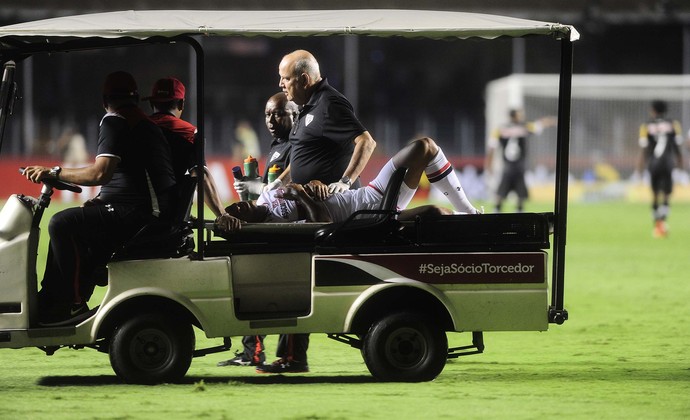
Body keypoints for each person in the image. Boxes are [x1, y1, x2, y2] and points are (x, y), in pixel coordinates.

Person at [218, 136, 480, 374]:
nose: (238, 205)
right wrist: (302, 195)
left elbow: (306, 186)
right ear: (247, 225)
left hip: (368, 194)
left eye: (235, 205)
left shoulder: (265, 196)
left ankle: (468, 215)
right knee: (425, 155)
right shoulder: (277, 225)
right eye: (237, 211)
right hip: (370, 214)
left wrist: (316, 185)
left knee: (428, 163)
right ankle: (470, 216)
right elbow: (323, 224)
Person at [23, 71, 177, 325]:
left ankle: (71, 304)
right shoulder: (140, 121)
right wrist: (100, 201)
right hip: (148, 209)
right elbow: (129, 175)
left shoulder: (115, 120)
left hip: (142, 213)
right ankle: (52, 298)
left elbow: (100, 173)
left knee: (61, 224)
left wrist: (54, 171)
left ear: (105, 100)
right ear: (136, 98)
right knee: (73, 224)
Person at [217, 92, 299, 368]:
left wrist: (260, 189)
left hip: (289, 231)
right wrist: (253, 190)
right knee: (264, 287)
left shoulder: (299, 146)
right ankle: (258, 353)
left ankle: (288, 356)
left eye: (278, 114)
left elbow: (290, 189)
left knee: (286, 291)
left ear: (294, 115)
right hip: (273, 228)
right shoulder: (279, 145)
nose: (271, 120)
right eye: (267, 114)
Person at [273, 49, 377, 193]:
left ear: (304, 79)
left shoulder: (329, 104)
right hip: (313, 204)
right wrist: (280, 181)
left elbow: (367, 142)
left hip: (333, 205)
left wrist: (345, 182)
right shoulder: (308, 105)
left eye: (286, 78)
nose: (280, 84)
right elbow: (305, 153)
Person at [145, 76, 225, 218]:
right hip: (166, 216)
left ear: (151, 102)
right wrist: (222, 214)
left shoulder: (134, 128)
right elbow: (201, 175)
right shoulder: (189, 133)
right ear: (181, 104)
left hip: (129, 213)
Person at [485, 109, 555, 213]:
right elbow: (539, 124)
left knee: (502, 190)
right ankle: (518, 210)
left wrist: (489, 164)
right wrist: (552, 121)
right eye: (519, 115)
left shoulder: (500, 129)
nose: (521, 117)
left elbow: (491, 147)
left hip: (508, 166)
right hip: (519, 165)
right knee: (520, 191)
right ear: (514, 116)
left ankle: (497, 209)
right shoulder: (525, 127)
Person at [637, 100, 684, 238]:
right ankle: (663, 222)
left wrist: (639, 169)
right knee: (667, 194)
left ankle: (657, 224)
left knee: (655, 194)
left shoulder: (646, 125)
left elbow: (644, 149)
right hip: (668, 164)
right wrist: (681, 166)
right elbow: (677, 147)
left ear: (653, 110)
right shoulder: (674, 124)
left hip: (653, 164)